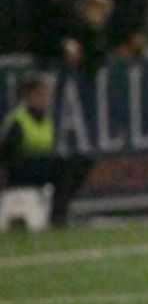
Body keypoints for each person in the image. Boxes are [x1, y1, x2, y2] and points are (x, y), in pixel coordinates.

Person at [0, 75, 90, 226]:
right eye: (41, 94)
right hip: (21, 169)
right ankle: (57, 216)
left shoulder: (46, 120)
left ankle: (59, 212)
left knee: (79, 163)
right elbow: (6, 152)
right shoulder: (18, 120)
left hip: (40, 166)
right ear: (30, 96)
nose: (45, 99)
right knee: (61, 167)